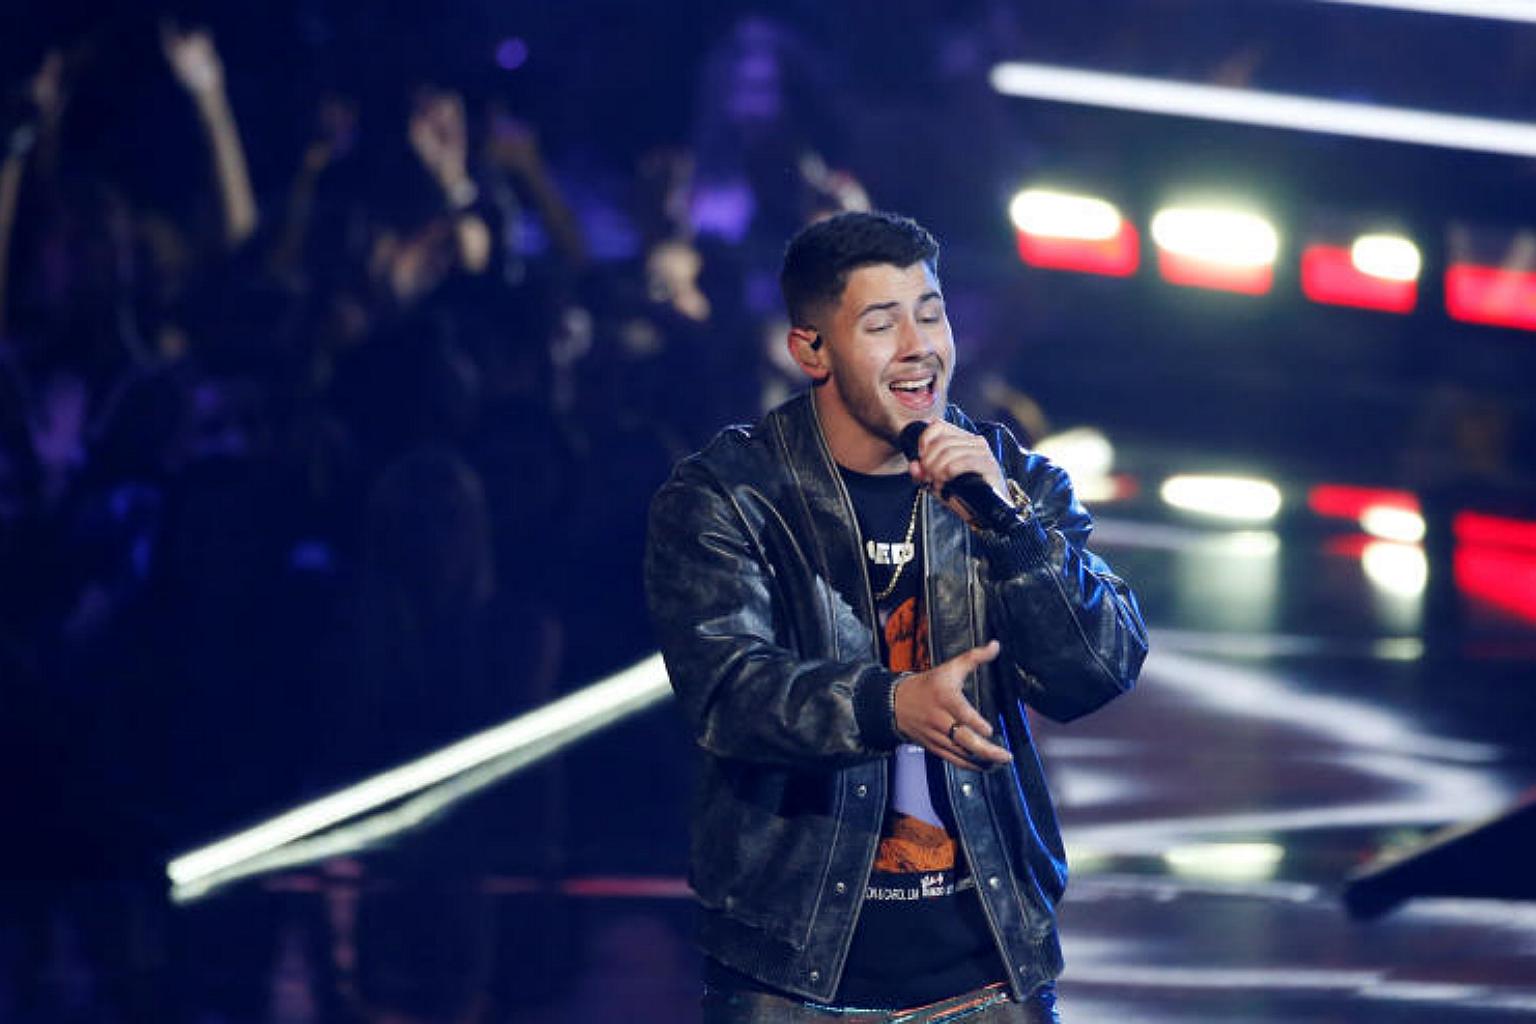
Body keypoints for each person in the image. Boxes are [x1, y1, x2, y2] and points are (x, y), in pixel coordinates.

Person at [644, 210, 1148, 1022]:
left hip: (988, 979)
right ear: (811, 349)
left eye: (932, 314)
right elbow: (728, 693)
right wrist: (890, 705)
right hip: (794, 985)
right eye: (882, 325)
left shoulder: (1012, 479)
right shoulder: (731, 496)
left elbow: (1095, 670)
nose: (919, 347)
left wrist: (1012, 533)